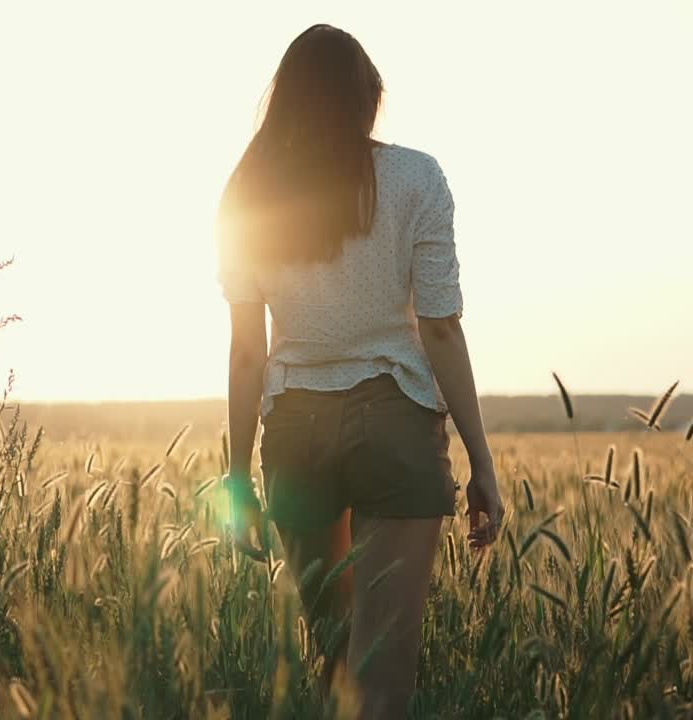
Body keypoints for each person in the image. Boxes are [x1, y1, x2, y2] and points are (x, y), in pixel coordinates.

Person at [215, 23, 505, 719]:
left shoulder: (247, 194)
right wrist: (481, 458)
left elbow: (248, 350)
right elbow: (438, 326)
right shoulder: (415, 177)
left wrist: (235, 473)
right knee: (383, 668)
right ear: (366, 99)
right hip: (395, 422)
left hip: (294, 432)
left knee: (336, 654)